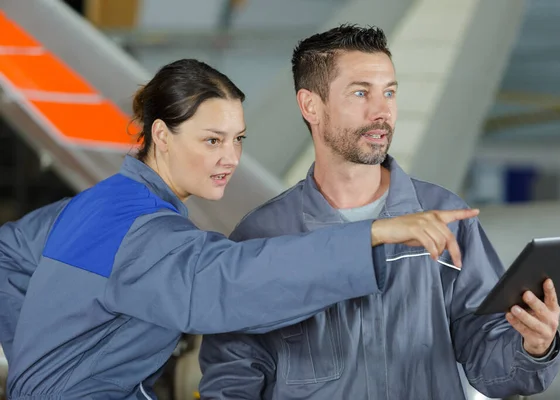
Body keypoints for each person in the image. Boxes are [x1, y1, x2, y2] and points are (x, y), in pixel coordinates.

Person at [0, 58, 478, 400]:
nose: (230, 158)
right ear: (162, 136)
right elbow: (236, 280)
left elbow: (8, 254)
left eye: (237, 139)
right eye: (212, 140)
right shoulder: (147, 234)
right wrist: (373, 235)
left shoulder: (95, 206)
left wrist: (37, 367)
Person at [198, 25, 560, 399]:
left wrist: (532, 347)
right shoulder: (264, 236)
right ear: (311, 105)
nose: (382, 111)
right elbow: (233, 375)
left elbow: (489, 362)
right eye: (361, 93)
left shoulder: (444, 216)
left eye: (389, 92)